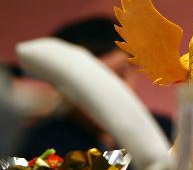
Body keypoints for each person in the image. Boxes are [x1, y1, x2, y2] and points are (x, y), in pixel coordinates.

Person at [17, 16, 173, 159]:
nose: (112, 91)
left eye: (121, 74)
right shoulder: (39, 148)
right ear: (61, 86)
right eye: (91, 81)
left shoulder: (164, 130)